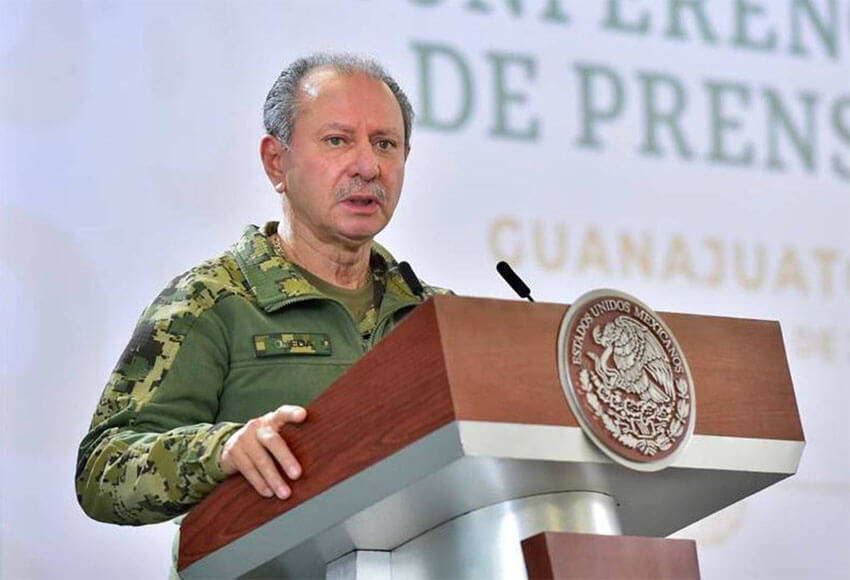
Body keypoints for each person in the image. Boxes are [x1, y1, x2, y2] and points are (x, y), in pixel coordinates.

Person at [75, 53, 447, 528]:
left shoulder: (436, 316)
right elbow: (103, 470)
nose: (368, 166)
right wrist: (219, 451)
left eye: (385, 144)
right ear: (277, 161)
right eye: (337, 140)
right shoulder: (213, 298)